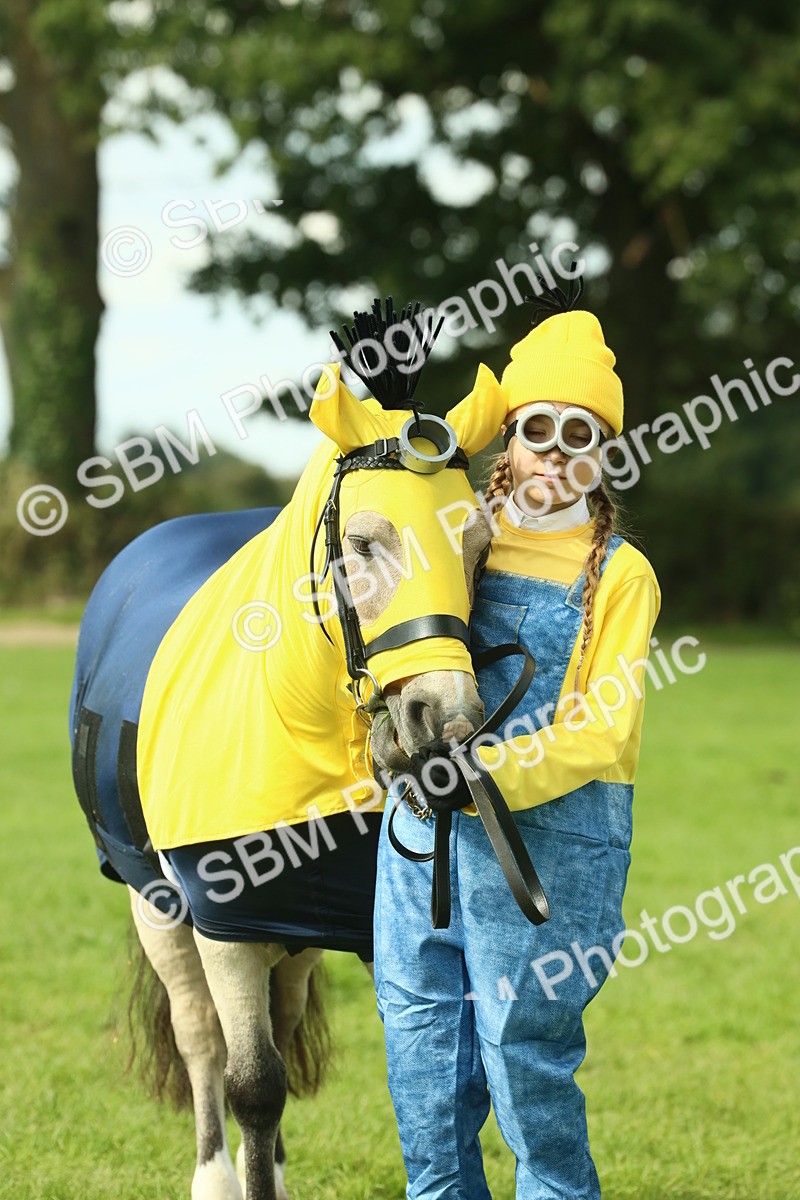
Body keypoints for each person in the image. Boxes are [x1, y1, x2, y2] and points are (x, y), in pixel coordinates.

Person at [372, 296, 662, 1200]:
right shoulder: (459, 537)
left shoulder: (621, 573)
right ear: (509, 439)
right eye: (539, 427)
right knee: (422, 1054)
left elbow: (605, 726)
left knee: (524, 1057)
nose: (558, 451)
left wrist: (491, 771)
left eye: (584, 433)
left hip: (550, 846)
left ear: (606, 452)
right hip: (422, 839)